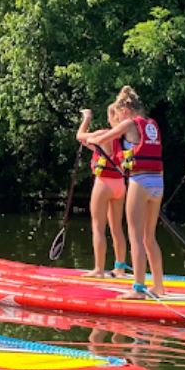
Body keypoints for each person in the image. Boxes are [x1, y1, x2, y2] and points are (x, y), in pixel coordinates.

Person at [80, 86, 164, 298]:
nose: (119, 116)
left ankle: (138, 289)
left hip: (140, 181)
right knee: (150, 238)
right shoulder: (152, 124)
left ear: (126, 109)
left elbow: (103, 138)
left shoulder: (129, 123)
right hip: (158, 183)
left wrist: (90, 139)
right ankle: (158, 286)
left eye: (120, 112)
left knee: (136, 236)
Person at [75, 103, 129, 278]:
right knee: (117, 228)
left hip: (104, 183)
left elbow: (80, 136)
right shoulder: (127, 137)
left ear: (113, 118)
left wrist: (87, 118)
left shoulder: (103, 134)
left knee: (98, 227)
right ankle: (119, 268)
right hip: (120, 185)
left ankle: (99, 269)